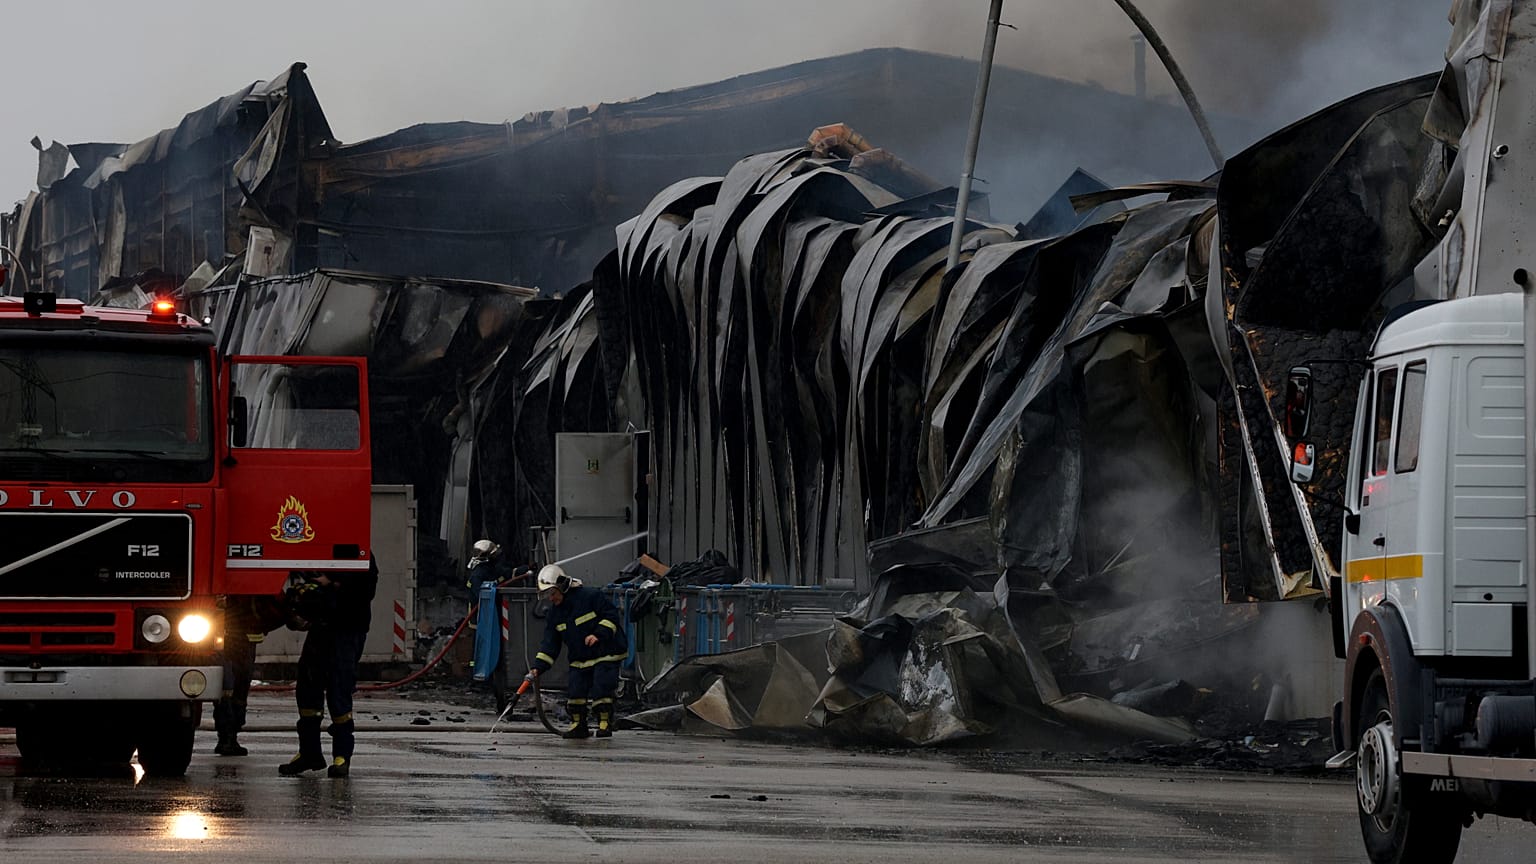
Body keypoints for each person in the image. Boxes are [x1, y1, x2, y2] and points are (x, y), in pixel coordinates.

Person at [279, 556, 379, 777]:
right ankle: (309, 753)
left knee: (338, 690)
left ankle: (341, 756)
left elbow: (364, 588)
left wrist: (332, 581)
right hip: (321, 628)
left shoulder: (359, 552)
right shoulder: (321, 549)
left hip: (347, 630)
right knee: (307, 688)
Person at [528, 564, 628, 739]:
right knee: (575, 691)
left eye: (553, 593)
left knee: (602, 687)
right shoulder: (555, 614)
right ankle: (578, 725)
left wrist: (598, 634)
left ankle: (604, 723)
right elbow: (550, 644)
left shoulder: (590, 597)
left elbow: (611, 616)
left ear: (562, 587)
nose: (551, 598)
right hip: (580, 656)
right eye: (547, 595)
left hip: (605, 651)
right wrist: (538, 667)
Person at [212, 594, 289, 756]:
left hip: (238, 634)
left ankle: (228, 736)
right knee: (229, 687)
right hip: (234, 635)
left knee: (233, 687)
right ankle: (228, 737)